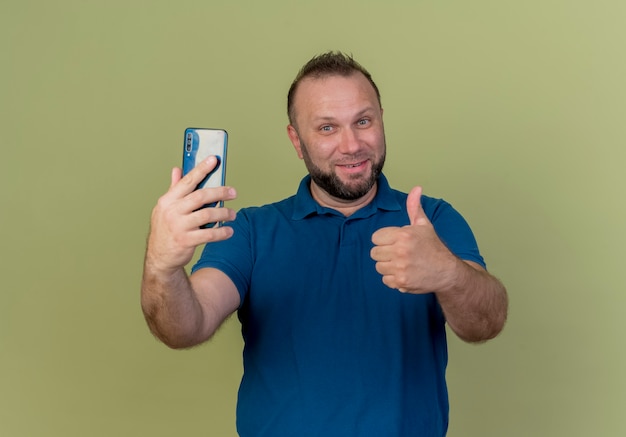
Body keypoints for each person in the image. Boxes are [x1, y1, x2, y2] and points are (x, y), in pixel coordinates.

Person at [141, 51, 508, 436]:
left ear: (382, 120)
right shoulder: (251, 231)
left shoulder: (431, 220)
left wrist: (449, 274)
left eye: (363, 121)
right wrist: (161, 267)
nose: (351, 145)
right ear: (296, 141)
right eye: (327, 128)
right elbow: (185, 327)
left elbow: (486, 323)